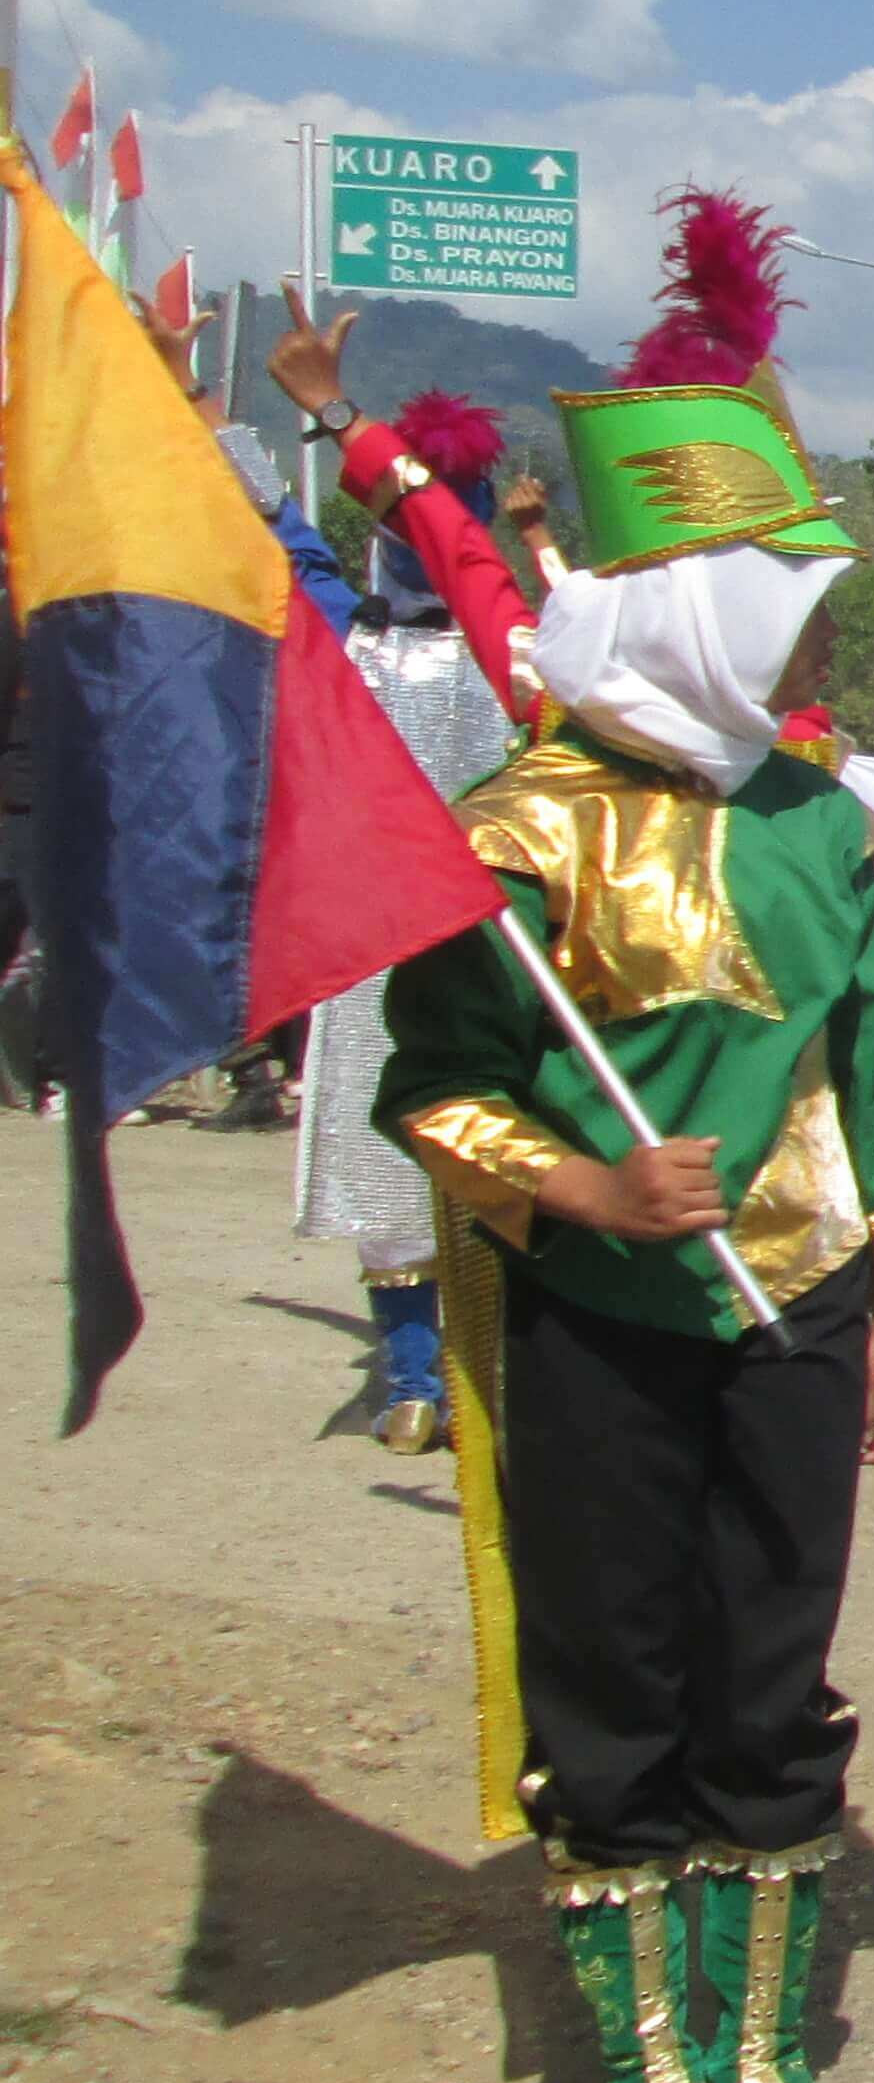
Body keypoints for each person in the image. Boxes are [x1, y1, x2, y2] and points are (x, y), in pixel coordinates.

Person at [365, 187, 874, 2083]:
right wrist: (589, 1185)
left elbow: (873, 1073)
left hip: (794, 1302)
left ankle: (766, 2050)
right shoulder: (517, 834)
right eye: (773, 596)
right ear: (686, 602)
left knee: (771, 1670)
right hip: (602, 1320)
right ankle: (650, 2080)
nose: (804, 631)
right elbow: (427, 1088)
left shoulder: (815, 825)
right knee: (612, 1674)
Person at [279, 385, 526, 1452]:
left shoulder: (352, 644)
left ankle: (423, 1375)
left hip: (414, 940)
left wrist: (204, 419)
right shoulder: (516, 656)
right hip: (463, 944)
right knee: (474, 1148)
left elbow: (279, 549)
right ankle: (457, 1378)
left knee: (413, 1148)